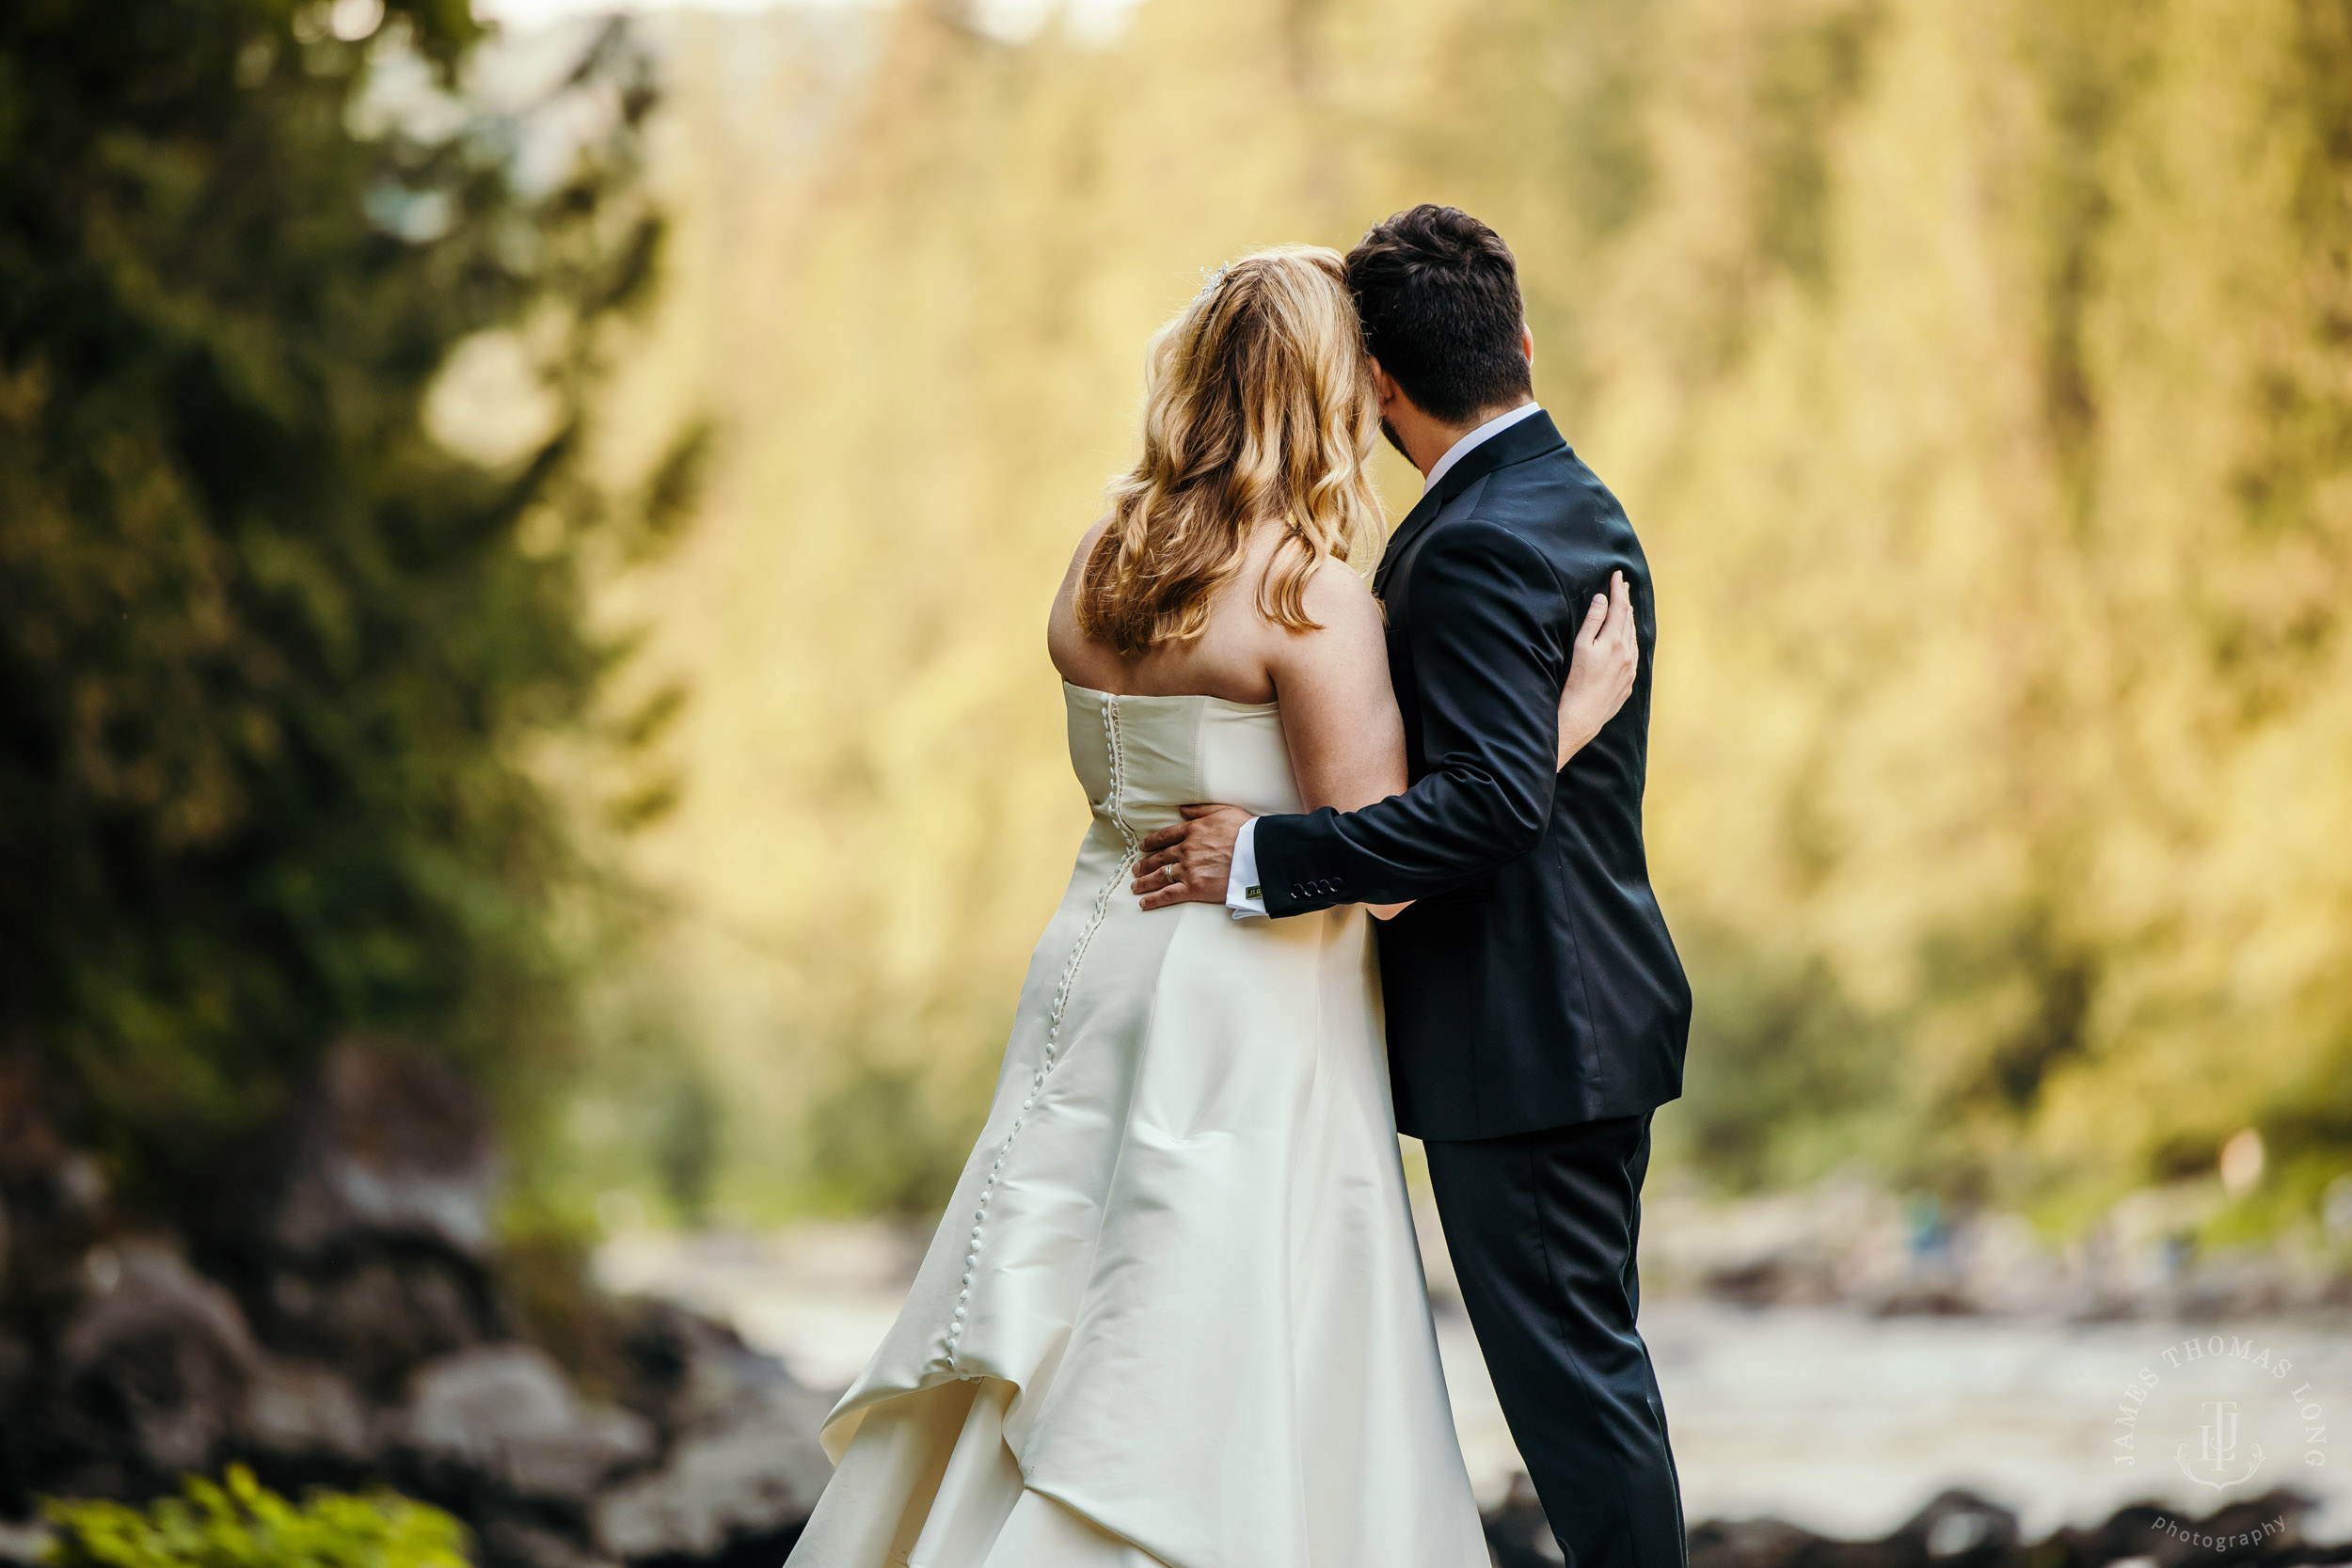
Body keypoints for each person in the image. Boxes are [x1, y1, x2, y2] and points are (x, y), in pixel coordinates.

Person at [784, 240, 1641, 1568]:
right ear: (1328, 394)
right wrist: (1563, 729)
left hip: (1093, 968)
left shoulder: (1099, 561)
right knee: (1214, 1331)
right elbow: (1396, 876)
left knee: (1061, 1298)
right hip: (1255, 994)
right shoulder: (1309, 596)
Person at [1133, 206, 1694, 1568]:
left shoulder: (1471, 544)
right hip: (1578, 1023)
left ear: (1379, 386)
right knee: (1592, 1379)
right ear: (1520, 340)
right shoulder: (1570, 493)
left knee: (1575, 1397)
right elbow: (1520, 781)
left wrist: (1256, 856)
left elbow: (1493, 803)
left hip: (1525, 1041)